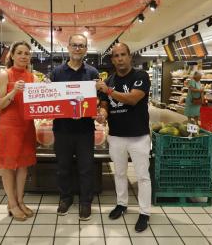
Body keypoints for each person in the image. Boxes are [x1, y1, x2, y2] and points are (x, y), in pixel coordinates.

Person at [96, 43, 152, 232]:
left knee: (143, 176)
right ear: (112, 60)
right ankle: (121, 204)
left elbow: (133, 99)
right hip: (116, 136)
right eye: (116, 56)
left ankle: (144, 212)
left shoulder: (140, 76)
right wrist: (102, 114)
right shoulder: (109, 80)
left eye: (123, 55)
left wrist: (109, 91)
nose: (119, 58)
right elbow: (104, 105)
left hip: (139, 136)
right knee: (119, 173)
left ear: (130, 57)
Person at [50, 34, 99, 221]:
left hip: (85, 130)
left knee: (86, 168)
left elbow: (98, 100)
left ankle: (85, 202)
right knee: (63, 167)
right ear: (68, 47)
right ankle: (65, 198)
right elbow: (51, 98)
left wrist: (100, 109)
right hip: (62, 129)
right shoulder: (56, 73)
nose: (78, 48)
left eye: (82, 45)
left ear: (86, 49)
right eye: (75, 45)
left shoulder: (93, 73)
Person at [0, 41, 37, 221]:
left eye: (26, 53)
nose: (23, 56)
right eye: (19, 53)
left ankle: (20, 201)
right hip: (9, 127)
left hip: (27, 126)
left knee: (23, 166)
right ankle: (11, 204)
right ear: (12, 55)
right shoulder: (5, 75)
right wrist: (13, 93)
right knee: (8, 167)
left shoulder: (32, 76)